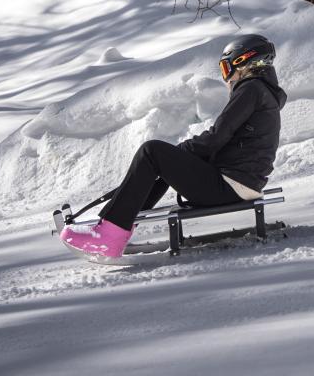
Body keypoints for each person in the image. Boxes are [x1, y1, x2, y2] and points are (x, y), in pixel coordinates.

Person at [61, 34, 288, 259]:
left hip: (230, 186)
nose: (226, 77)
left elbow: (216, 137)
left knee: (151, 151)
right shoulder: (262, 92)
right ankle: (115, 229)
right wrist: (182, 155)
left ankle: (109, 234)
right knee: (159, 162)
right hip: (240, 183)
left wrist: (183, 149)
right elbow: (228, 140)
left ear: (242, 61)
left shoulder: (250, 89)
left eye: (226, 69)